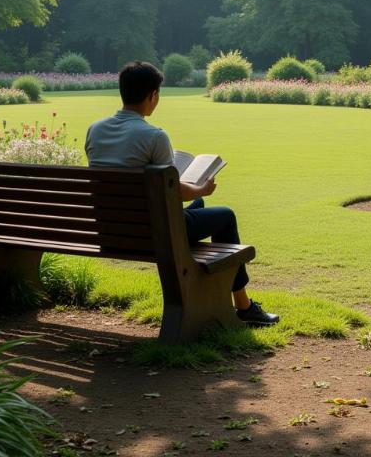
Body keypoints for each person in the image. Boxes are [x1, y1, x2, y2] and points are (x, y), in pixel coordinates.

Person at [85, 60, 279, 327]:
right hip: (155, 233)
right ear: (153, 96)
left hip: (112, 230)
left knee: (198, 204)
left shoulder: (95, 130)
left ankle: (205, 287)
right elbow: (171, 191)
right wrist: (200, 187)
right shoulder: (154, 136)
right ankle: (244, 305)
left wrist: (194, 195)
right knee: (225, 215)